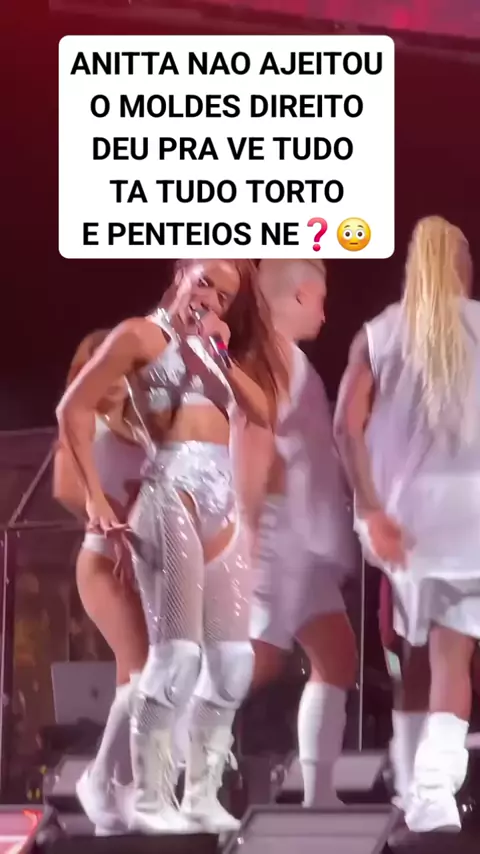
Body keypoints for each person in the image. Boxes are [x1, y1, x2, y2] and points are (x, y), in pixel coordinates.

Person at [56, 259, 285, 835]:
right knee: (176, 656)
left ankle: (201, 795)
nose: (211, 299)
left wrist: (219, 353)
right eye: (204, 281)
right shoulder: (138, 335)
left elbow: (261, 412)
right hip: (172, 487)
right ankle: (152, 798)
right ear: (181, 273)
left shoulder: (214, 345)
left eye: (224, 296)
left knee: (232, 662)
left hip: (220, 495)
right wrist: (95, 499)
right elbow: (72, 408)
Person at [334, 215, 478, 833]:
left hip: (405, 519)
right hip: (469, 514)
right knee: (452, 654)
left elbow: (345, 426)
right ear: (462, 266)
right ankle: (433, 790)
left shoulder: (379, 333)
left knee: (419, 654)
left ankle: (411, 787)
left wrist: (370, 506)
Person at [247, 259, 358, 808]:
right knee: (257, 662)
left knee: (337, 657)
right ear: (294, 297)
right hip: (275, 537)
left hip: (304, 541)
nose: (324, 312)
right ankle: (152, 749)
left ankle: (319, 796)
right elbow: (254, 442)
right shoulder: (268, 358)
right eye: (318, 299)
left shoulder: (292, 360)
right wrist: (249, 531)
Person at [53, 330, 148, 835]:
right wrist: (109, 522)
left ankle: (121, 789)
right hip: (101, 562)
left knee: (144, 677)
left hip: (144, 567)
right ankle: (99, 781)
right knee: (143, 670)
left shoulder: (147, 422)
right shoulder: (83, 421)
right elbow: (67, 489)